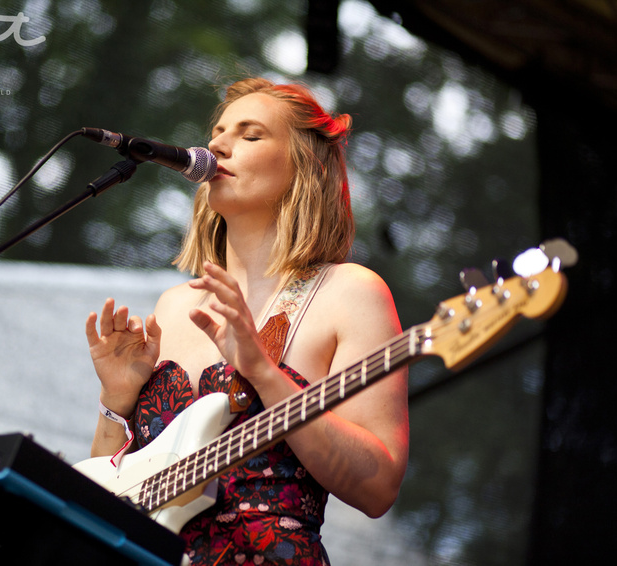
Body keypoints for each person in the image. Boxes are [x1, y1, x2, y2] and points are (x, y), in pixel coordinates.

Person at [84, 77, 409, 566]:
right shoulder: (174, 306)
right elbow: (108, 496)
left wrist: (264, 372)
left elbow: (378, 487)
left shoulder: (351, 293)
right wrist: (116, 403)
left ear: (306, 165)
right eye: (217, 132)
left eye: (250, 134)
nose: (216, 144)